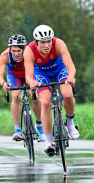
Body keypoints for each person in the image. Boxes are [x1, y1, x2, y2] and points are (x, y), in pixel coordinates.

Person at [24, 25, 80, 155]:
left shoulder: (59, 43)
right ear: (36, 42)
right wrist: (32, 82)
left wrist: (71, 76)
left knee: (67, 94)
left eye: (48, 41)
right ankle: (49, 142)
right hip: (41, 73)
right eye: (43, 42)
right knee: (45, 103)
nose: (46, 45)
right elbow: (28, 76)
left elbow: (71, 66)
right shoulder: (29, 50)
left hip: (59, 69)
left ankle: (70, 123)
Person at [0, 34, 45, 142]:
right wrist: (3, 83)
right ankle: (18, 130)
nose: (16, 53)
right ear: (10, 49)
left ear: (24, 48)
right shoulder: (5, 55)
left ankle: (39, 126)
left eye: (19, 50)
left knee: (35, 96)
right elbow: (0, 77)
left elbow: (39, 66)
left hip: (28, 72)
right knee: (15, 96)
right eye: (13, 50)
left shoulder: (31, 52)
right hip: (14, 74)